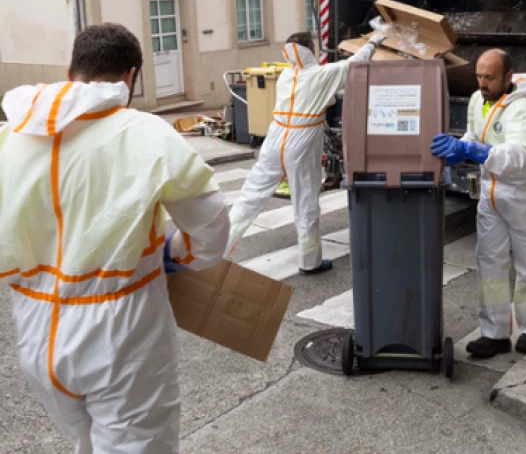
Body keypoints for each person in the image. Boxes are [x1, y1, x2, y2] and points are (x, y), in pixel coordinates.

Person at [0, 24, 230, 454]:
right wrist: (177, 254)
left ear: (72, 71)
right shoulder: (145, 133)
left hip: (35, 329)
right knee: (136, 443)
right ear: (131, 76)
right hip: (120, 331)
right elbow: (212, 225)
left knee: (85, 440)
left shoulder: (11, 137)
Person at [431, 49, 526, 357]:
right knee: (490, 263)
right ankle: (495, 333)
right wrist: (463, 147)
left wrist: (475, 151)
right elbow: (478, 132)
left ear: (508, 77)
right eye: (479, 76)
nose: (483, 83)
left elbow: (516, 156)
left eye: (490, 77)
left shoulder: (524, 112)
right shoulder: (477, 99)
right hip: (492, 193)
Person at [227, 30, 385, 273]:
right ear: (310, 50)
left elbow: (310, 95)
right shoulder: (320, 74)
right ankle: (310, 262)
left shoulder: (286, 75)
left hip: (274, 139)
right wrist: (375, 40)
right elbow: (355, 63)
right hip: (300, 142)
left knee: (250, 196)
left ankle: (218, 250)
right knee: (305, 202)